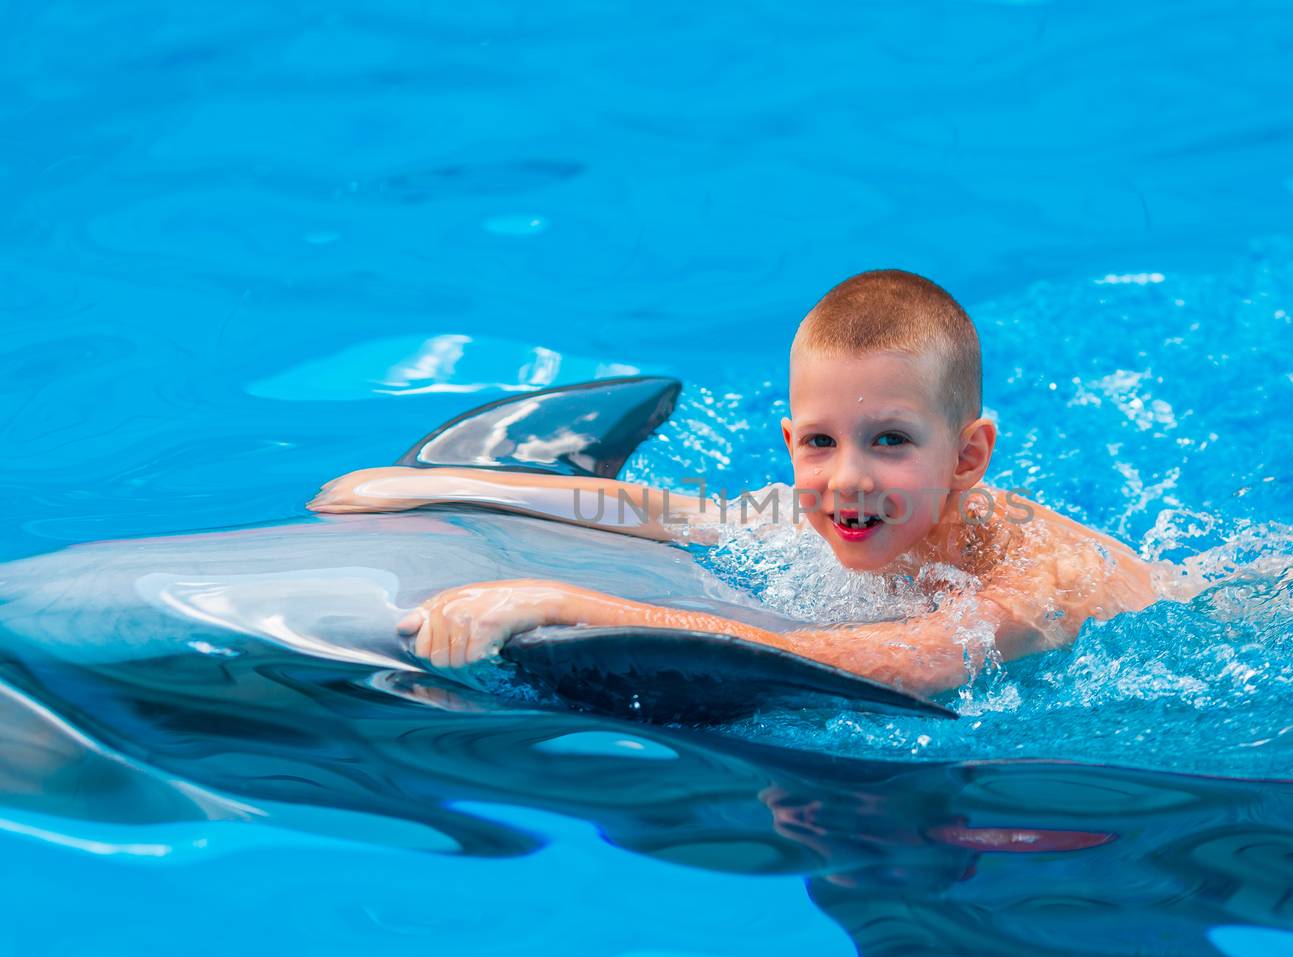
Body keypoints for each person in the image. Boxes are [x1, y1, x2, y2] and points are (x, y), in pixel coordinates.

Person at [309, 270, 1158, 696]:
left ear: (969, 456)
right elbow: (666, 514)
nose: (848, 477)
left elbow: (888, 664)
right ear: (790, 440)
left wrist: (566, 603)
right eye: (821, 442)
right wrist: (439, 487)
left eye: (890, 440)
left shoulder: (1039, 581)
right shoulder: (856, 508)